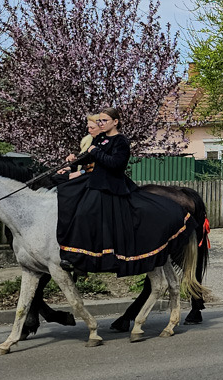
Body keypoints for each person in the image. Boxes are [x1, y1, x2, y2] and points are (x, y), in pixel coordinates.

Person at [56, 107, 190, 276]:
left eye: (104, 121)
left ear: (115, 122)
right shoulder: (102, 139)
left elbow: (116, 164)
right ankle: (79, 257)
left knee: (85, 214)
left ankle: (85, 259)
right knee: (74, 204)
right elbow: (90, 157)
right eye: (99, 121)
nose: (101, 124)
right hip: (96, 183)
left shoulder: (121, 141)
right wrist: (75, 158)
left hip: (110, 186)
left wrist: (95, 152)